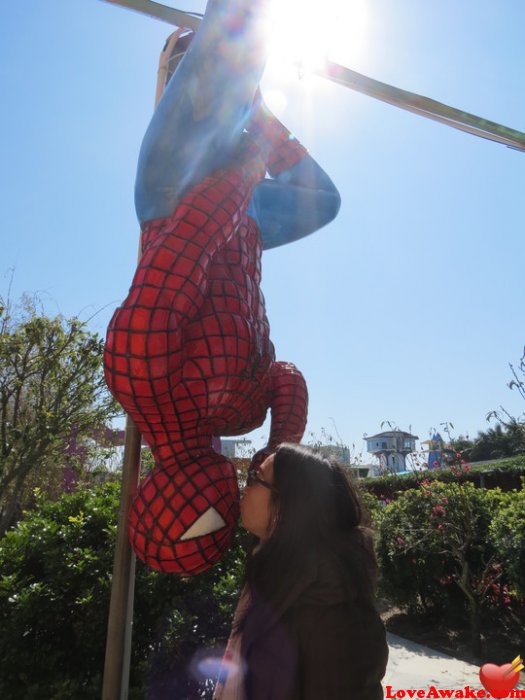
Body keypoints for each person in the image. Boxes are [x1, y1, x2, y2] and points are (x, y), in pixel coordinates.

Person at [104, 0, 340, 575]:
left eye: (209, 516)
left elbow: (184, 248)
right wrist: (278, 451)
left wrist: (245, 168)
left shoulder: (145, 384)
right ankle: (249, 103)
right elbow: (287, 379)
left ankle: (204, 63)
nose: (227, 503)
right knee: (323, 201)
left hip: (179, 190)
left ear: (159, 497)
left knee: (243, 29)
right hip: (248, 223)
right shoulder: (236, 418)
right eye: (224, 518)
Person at [213, 443, 388, 700]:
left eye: (255, 478)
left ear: (286, 506)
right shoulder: (271, 578)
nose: (245, 487)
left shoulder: (337, 619)